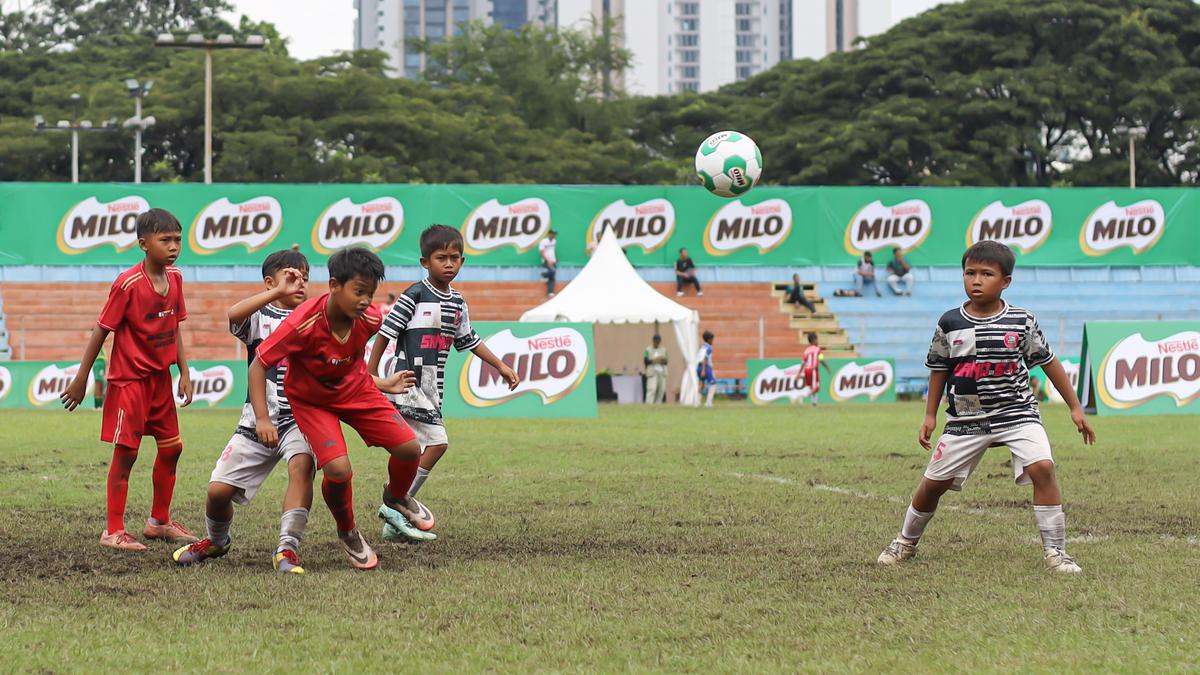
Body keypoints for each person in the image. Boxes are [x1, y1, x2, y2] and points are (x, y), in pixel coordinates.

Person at [877, 240, 1096, 574]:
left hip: (1017, 412)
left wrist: (1075, 408)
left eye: (986, 274)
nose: (976, 280)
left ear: (1006, 281)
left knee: (1043, 468)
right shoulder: (950, 322)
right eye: (970, 273)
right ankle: (905, 541)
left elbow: (1048, 362)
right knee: (933, 485)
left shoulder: (1022, 321)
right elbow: (939, 369)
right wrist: (930, 414)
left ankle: (1056, 552)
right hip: (966, 418)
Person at [248, 247, 423, 570]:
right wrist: (262, 418)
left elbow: (350, 361)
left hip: (357, 391)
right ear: (333, 285)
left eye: (370, 294)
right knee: (339, 470)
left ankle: (396, 496)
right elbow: (258, 365)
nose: (365, 301)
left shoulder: (369, 318)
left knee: (410, 449)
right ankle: (348, 531)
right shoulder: (302, 324)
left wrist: (380, 383)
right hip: (312, 402)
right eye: (358, 291)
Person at [368, 225, 519, 539]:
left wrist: (501, 366)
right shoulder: (414, 295)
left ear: (462, 261)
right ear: (425, 262)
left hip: (432, 387)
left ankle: (395, 519)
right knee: (437, 443)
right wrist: (372, 375)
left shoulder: (458, 302)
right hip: (408, 382)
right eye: (441, 258)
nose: (448, 264)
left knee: (412, 449)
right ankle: (396, 501)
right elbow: (386, 332)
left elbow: (469, 340)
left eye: (454, 258)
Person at [59, 208, 197, 551]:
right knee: (127, 453)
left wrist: (184, 371)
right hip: (130, 382)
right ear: (144, 244)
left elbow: (175, 328)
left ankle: (159, 522)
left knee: (173, 448)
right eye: (165, 240)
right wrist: (81, 378)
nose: (174, 247)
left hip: (160, 381)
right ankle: (113, 530)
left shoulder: (176, 278)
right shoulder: (128, 284)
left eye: (177, 240)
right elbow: (101, 330)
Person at [171, 249, 317, 574]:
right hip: (255, 422)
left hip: (300, 420)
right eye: (291, 277)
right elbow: (233, 314)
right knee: (217, 492)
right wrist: (276, 294)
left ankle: (287, 550)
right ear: (270, 283)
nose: (300, 283)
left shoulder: (313, 319)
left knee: (302, 466)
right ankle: (216, 541)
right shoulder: (260, 316)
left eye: (305, 278)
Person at [799, 332, 832, 406]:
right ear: (814, 340)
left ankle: (814, 403)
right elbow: (821, 359)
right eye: (817, 340)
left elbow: (803, 362)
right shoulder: (817, 349)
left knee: (812, 387)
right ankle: (804, 395)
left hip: (807, 370)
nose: (818, 341)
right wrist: (827, 367)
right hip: (813, 370)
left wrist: (799, 373)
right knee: (817, 387)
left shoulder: (806, 350)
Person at [643, 334, 668, 404]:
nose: (657, 343)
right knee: (652, 389)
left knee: (661, 390)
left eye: (658, 342)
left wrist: (662, 360)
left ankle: (658, 404)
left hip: (662, 372)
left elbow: (666, 361)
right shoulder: (647, 350)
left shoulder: (664, 350)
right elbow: (645, 361)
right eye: (656, 341)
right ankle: (649, 404)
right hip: (652, 372)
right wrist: (655, 360)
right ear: (653, 341)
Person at [694, 330, 716, 407]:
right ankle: (708, 402)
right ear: (709, 339)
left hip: (698, 367)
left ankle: (696, 401)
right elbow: (705, 358)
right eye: (712, 339)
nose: (713, 341)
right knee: (713, 383)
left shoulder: (702, 347)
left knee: (702, 384)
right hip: (705, 367)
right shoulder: (709, 348)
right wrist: (703, 370)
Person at [539, 229, 558, 297]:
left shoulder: (554, 241)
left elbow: (553, 250)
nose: (553, 235)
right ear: (549, 234)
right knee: (552, 272)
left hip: (553, 260)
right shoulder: (543, 241)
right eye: (552, 233)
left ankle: (550, 292)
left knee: (552, 278)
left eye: (554, 234)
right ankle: (543, 275)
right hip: (546, 261)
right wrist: (547, 260)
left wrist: (555, 258)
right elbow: (540, 252)